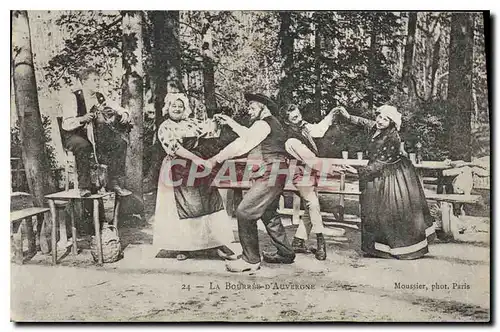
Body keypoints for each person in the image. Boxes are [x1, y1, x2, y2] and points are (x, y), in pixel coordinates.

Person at [209, 93, 295, 273]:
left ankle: (250, 260)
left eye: (252, 107)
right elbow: (249, 135)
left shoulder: (263, 123)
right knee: (268, 213)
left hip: (271, 172)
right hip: (277, 171)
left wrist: (216, 159)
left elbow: (243, 143)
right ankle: (285, 253)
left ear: (263, 107)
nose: (249, 111)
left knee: (244, 211)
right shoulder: (270, 123)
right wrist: (231, 122)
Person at [335, 105, 436, 259]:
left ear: (392, 122)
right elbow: (364, 122)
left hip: (391, 175)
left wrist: (356, 171)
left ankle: (398, 248)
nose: (380, 121)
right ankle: (376, 248)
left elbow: (380, 164)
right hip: (379, 172)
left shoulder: (392, 137)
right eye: (379, 117)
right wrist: (349, 117)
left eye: (385, 119)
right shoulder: (376, 127)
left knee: (390, 211)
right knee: (373, 209)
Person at [153, 92, 237, 261]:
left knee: (207, 202)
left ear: (185, 108)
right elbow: (174, 147)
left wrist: (218, 121)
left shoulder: (191, 123)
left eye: (180, 106)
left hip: (197, 168)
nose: (176, 109)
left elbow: (209, 130)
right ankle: (184, 247)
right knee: (183, 206)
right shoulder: (164, 127)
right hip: (176, 168)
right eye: (173, 106)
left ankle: (214, 242)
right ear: (167, 108)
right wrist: (198, 159)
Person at [279, 104, 356, 260]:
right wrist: (335, 168)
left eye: (299, 114)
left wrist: (333, 113)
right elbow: (312, 160)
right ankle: (321, 241)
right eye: (294, 117)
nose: (299, 118)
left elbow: (319, 130)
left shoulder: (303, 127)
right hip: (300, 173)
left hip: (309, 172)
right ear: (287, 121)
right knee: (313, 204)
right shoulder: (291, 140)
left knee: (310, 207)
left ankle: (298, 241)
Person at [61, 67, 132, 197]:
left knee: (120, 143)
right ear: (83, 82)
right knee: (83, 146)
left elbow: (116, 107)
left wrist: (124, 113)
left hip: (94, 135)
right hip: (74, 135)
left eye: (98, 80)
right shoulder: (74, 97)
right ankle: (84, 187)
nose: (98, 83)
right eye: (94, 80)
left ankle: (114, 182)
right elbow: (66, 123)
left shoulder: (100, 96)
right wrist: (82, 118)